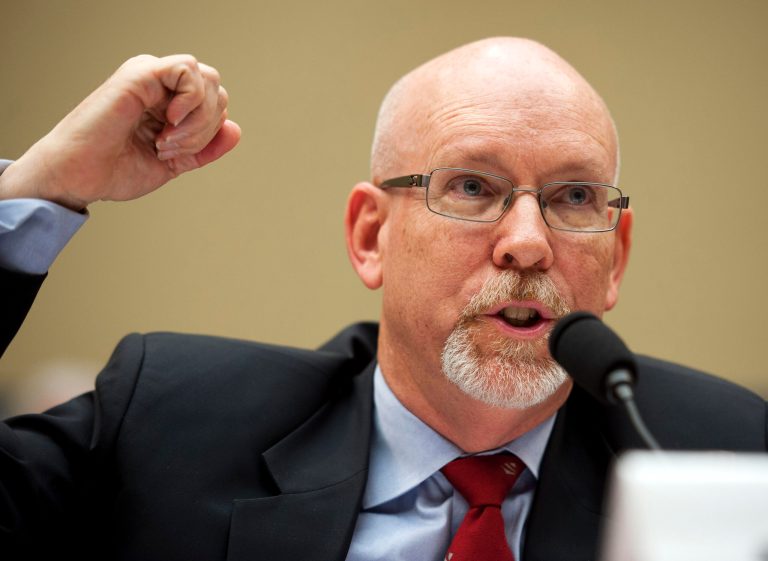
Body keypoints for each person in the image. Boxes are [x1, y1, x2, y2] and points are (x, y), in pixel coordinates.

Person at [0, 39, 765, 561]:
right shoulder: (169, 424)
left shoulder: (724, 455)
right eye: (473, 186)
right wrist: (42, 190)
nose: (528, 242)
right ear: (372, 235)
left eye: (573, 197)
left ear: (615, 256)